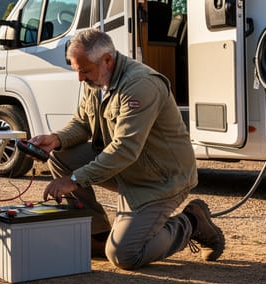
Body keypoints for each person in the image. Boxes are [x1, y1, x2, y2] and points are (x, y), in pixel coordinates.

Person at [28, 28, 225, 270]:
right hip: (128, 169)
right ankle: (98, 234)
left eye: (84, 71)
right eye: (77, 71)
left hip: (160, 179)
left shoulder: (140, 85)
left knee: (124, 254)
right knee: (60, 156)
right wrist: (56, 139)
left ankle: (192, 222)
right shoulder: (95, 79)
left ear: (107, 60)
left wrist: (75, 179)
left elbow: (125, 149)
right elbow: (82, 123)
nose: (80, 79)